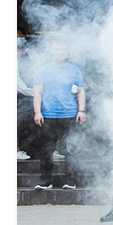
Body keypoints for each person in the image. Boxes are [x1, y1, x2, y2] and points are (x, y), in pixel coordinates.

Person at [32, 39, 86, 190]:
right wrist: (37, 112)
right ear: (52, 51)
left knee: (71, 148)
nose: (61, 52)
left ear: (67, 52)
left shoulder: (74, 70)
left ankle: (70, 180)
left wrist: (81, 110)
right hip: (48, 115)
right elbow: (37, 92)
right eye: (58, 49)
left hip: (70, 114)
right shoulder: (43, 70)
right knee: (46, 149)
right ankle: (46, 181)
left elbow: (81, 92)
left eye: (64, 50)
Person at [17, 26, 39, 160]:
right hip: (19, 93)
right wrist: (30, 91)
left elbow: (38, 71)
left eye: (20, 35)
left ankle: (44, 150)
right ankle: (16, 150)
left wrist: (37, 89)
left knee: (38, 121)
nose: (18, 38)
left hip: (34, 92)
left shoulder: (32, 53)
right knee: (16, 122)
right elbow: (16, 80)